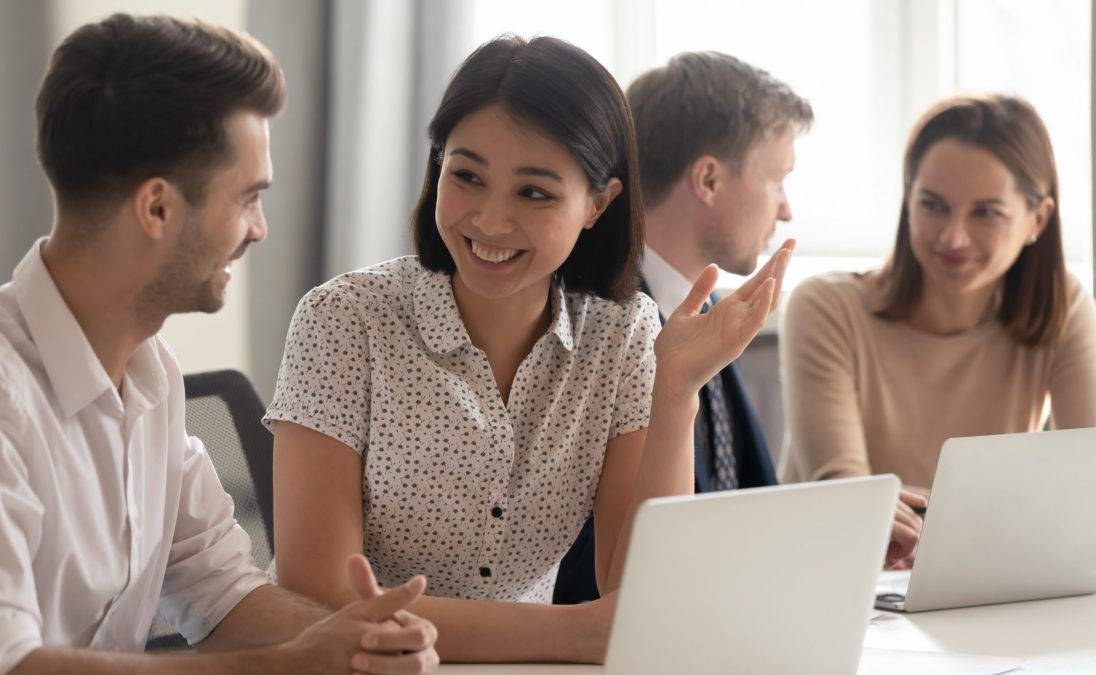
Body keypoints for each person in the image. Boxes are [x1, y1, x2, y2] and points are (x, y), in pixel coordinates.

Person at [0, 14, 438, 675]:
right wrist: (288, 663)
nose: (259, 229)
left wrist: (356, 636)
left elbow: (221, 592)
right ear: (157, 208)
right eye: (248, 198)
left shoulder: (150, 372)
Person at [266, 35, 792, 664]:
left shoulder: (624, 334)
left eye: (534, 193)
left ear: (598, 204)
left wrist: (675, 391)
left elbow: (639, 598)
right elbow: (321, 595)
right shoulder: (344, 320)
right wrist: (582, 634)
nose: (489, 220)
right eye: (467, 176)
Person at [555, 51, 924, 601]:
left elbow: (736, 501)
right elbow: (596, 565)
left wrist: (838, 521)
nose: (786, 210)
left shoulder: (700, 309)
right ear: (707, 179)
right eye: (778, 180)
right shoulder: (596, 322)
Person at [782, 94, 1096, 494]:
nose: (953, 237)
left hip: (986, 555)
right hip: (848, 553)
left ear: (1038, 219)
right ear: (909, 202)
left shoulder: (1062, 308)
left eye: (986, 213)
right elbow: (846, 497)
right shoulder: (827, 308)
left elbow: (1088, 486)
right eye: (933, 205)